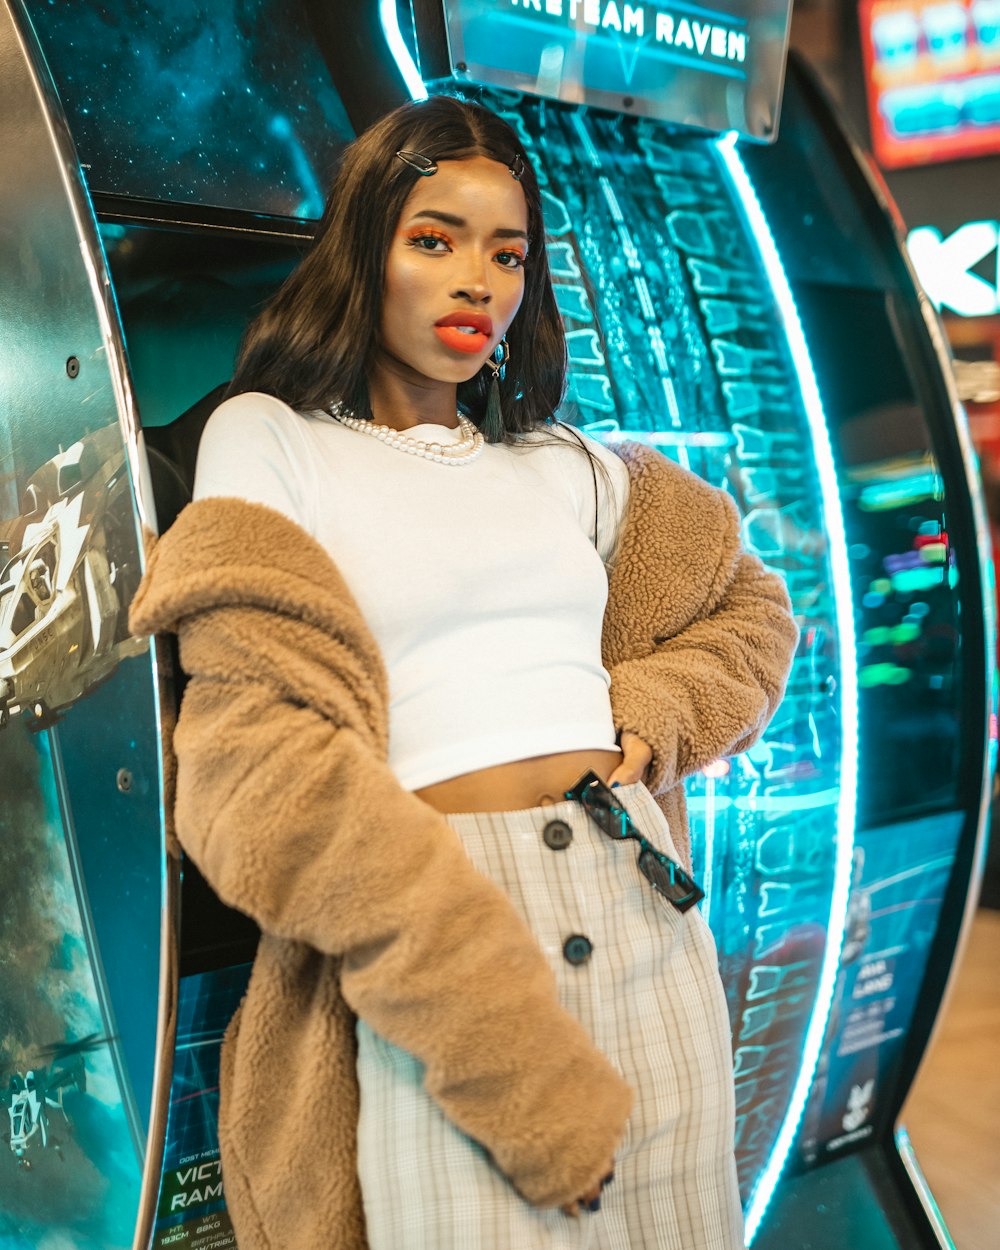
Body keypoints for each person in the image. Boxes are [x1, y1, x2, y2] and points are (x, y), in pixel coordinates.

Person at [130, 96, 798, 1250]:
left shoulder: (564, 467)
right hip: (439, 945)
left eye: (507, 253)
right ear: (362, 249)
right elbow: (258, 774)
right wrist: (509, 1053)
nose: (476, 281)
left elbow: (750, 608)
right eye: (432, 240)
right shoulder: (269, 437)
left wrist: (647, 717)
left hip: (641, 905)